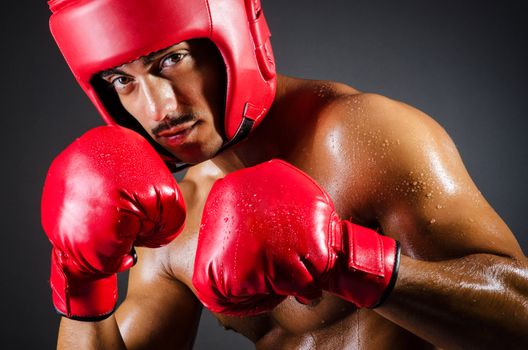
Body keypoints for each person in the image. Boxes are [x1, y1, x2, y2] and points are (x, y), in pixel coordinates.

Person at [42, 0, 528, 349]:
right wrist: (81, 280)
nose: (158, 108)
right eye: (123, 80)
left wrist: (347, 260)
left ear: (231, 39)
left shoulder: (360, 137)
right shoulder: (175, 217)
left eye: (171, 60)